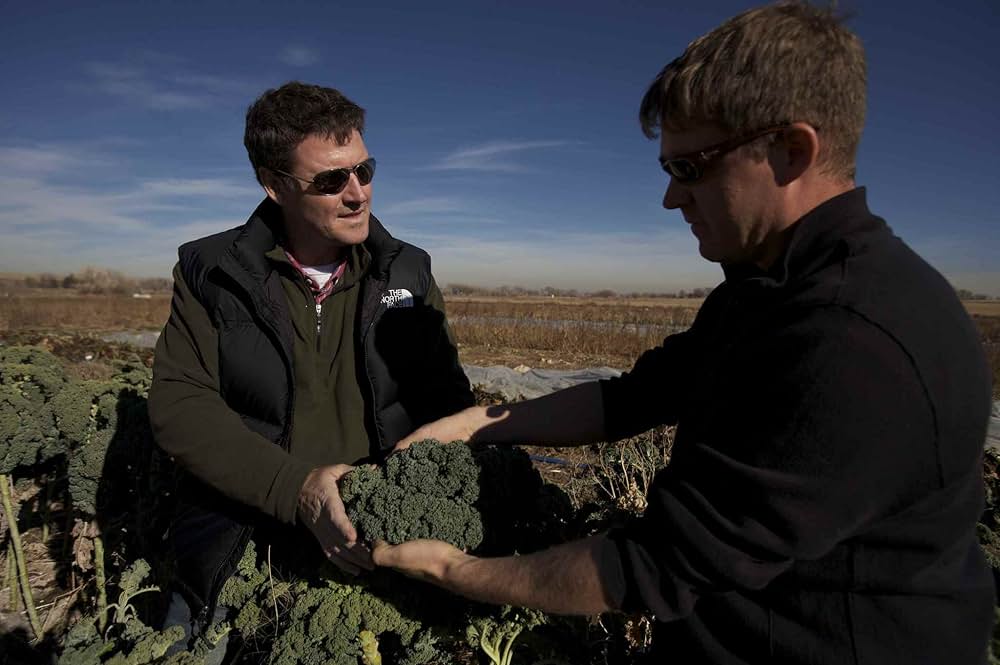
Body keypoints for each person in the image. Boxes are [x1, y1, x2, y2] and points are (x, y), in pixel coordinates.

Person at [372, 3, 995, 663]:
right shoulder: (764, 289)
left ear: (791, 150)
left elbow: (654, 567)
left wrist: (453, 569)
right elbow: (630, 398)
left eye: (690, 168)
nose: (672, 198)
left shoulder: (852, 339)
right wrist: (475, 425)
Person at [148, 81, 474, 656]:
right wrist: (297, 490)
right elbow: (179, 404)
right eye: (330, 180)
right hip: (240, 531)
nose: (358, 194)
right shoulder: (210, 271)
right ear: (274, 185)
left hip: (375, 536)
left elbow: (445, 401)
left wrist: (393, 502)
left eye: (364, 170)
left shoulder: (408, 272)